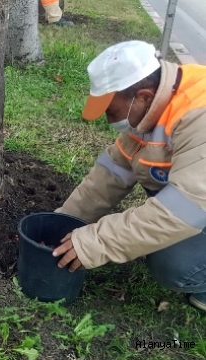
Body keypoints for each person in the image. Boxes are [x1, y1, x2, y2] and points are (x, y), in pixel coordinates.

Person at [52, 40, 206, 312]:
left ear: (144, 96)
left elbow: (182, 210)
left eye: (112, 111)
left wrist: (94, 242)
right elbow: (110, 175)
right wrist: (62, 223)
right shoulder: (155, 105)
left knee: (175, 264)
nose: (110, 122)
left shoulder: (199, 115)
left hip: (196, 203)